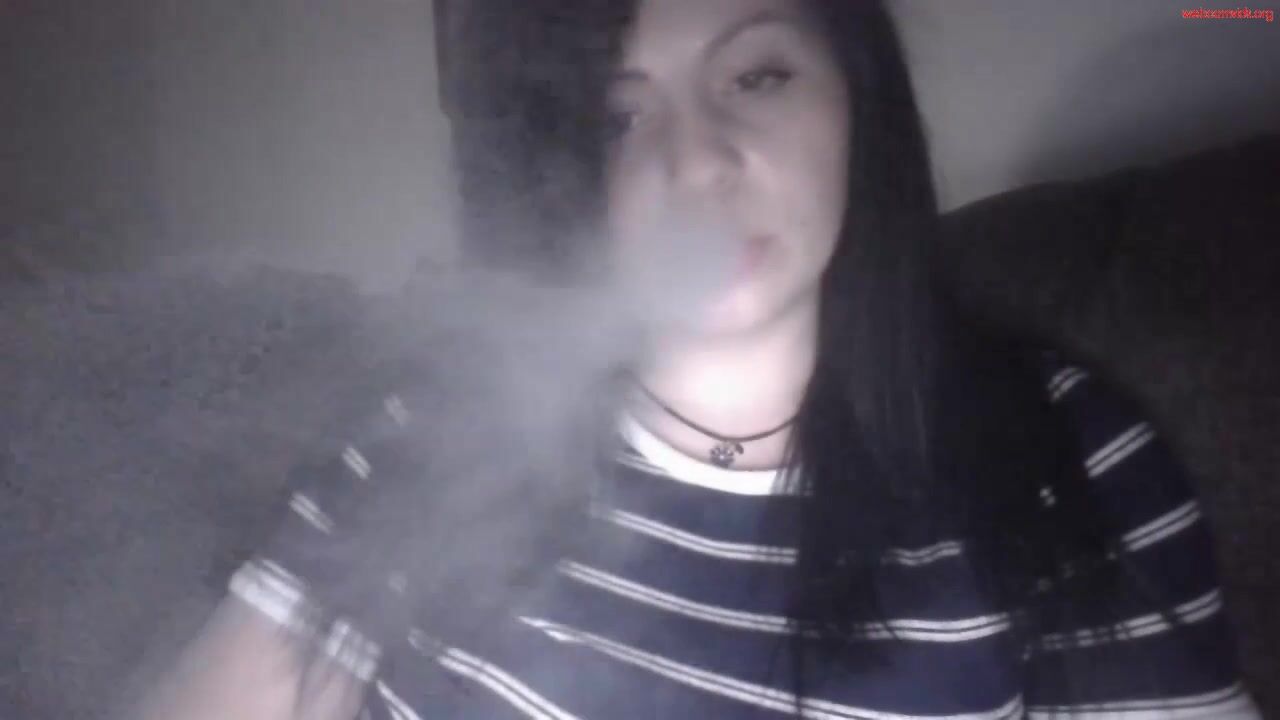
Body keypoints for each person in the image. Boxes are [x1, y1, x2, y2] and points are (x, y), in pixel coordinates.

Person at [135, 0, 1263, 718]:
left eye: (756, 75)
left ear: (856, 99)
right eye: (617, 119)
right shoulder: (442, 424)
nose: (696, 165)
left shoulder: (1071, 468)